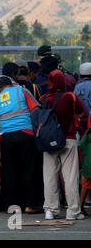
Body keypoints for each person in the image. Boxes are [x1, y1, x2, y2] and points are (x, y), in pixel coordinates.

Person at [0, 76, 42, 213]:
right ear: (11, 84)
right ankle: (31, 205)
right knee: (30, 170)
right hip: (26, 134)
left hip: (6, 138)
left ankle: (13, 205)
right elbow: (36, 109)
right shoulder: (21, 91)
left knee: (10, 173)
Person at [41, 69, 85, 220]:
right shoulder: (70, 96)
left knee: (49, 176)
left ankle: (50, 210)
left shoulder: (44, 98)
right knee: (70, 177)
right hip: (68, 139)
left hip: (48, 142)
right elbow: (83, 112)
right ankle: (72, 211)